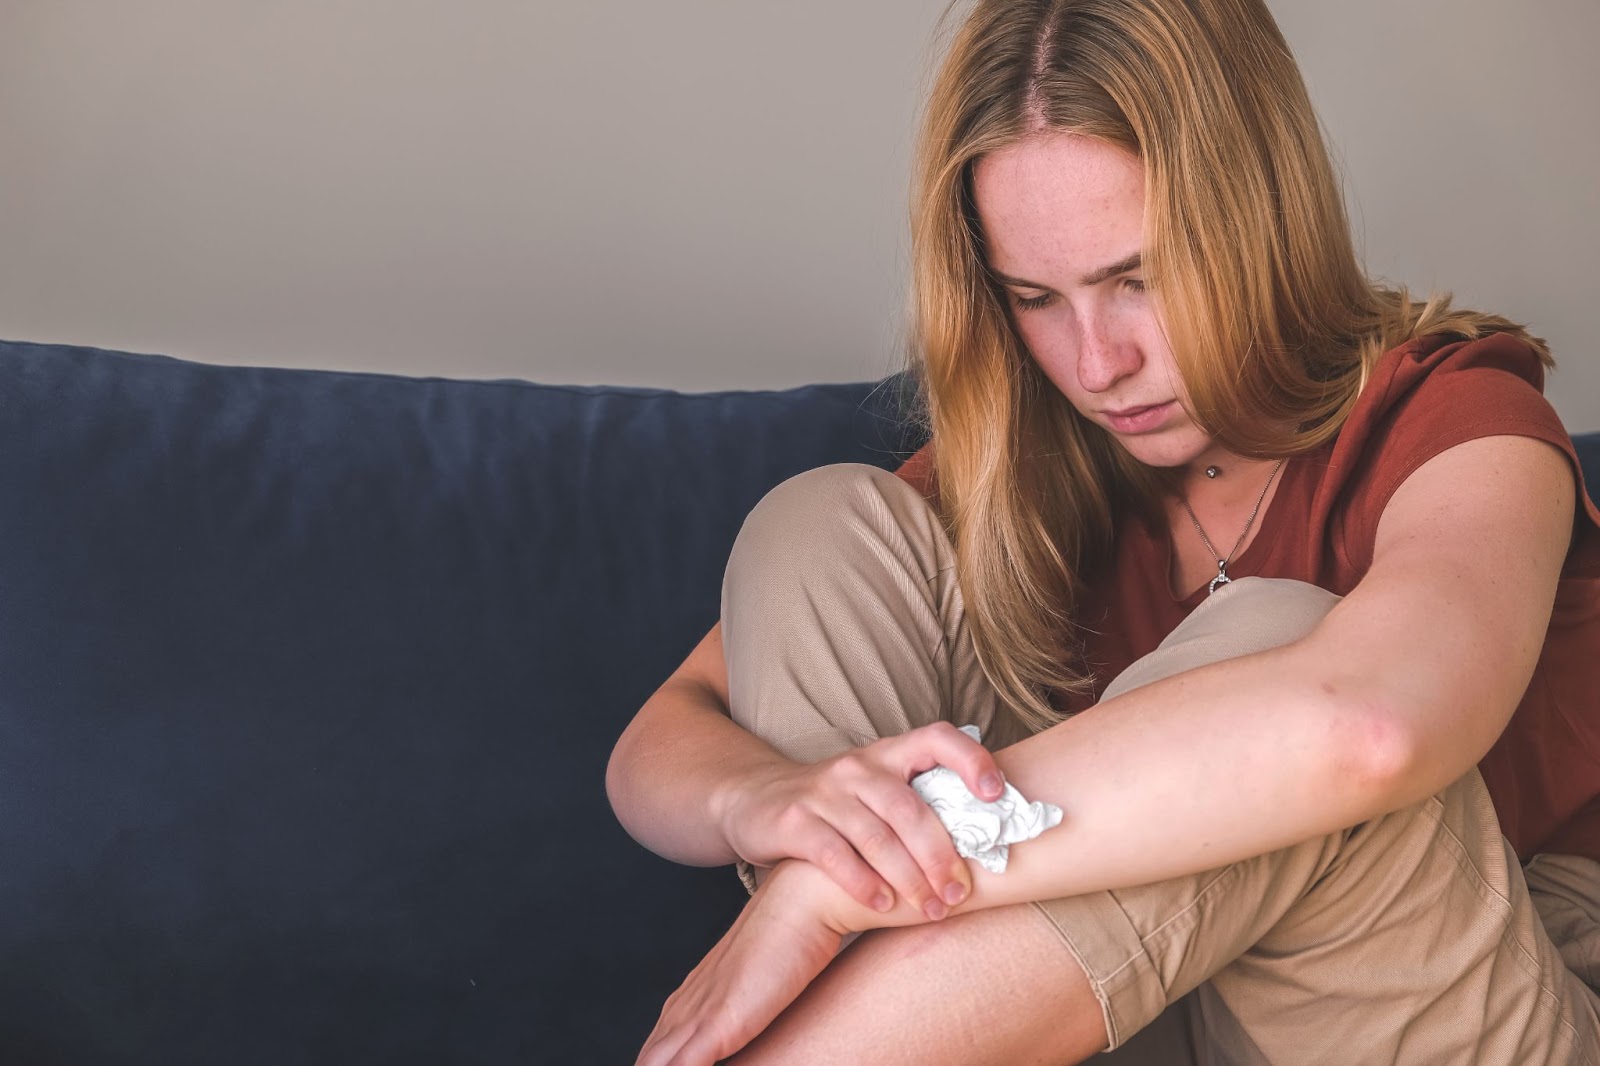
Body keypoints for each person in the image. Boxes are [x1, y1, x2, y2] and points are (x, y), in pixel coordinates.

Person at [606, 0, 1600, 1061]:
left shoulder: (1461, 419)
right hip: (1117, 1009)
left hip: (1466, 992)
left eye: (1138, 279)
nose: (1094, 365)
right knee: (825, 527)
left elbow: (1368, 729)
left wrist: (833, 892)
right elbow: (662, 736)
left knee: (1273, 651)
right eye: (1037, 298)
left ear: (1264, 219)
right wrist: (787, 808)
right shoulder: (1037, 464)